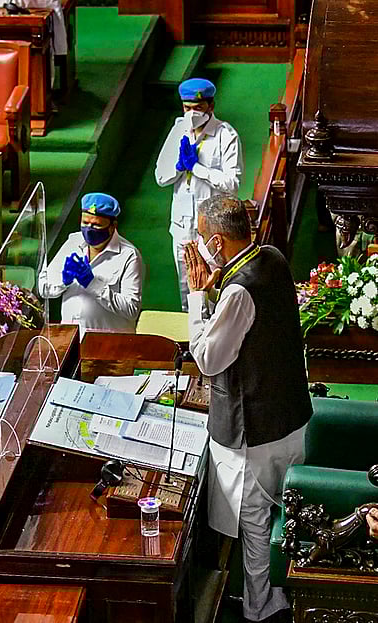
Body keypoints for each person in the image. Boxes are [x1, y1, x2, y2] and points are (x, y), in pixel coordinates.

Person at [184, 195, 311, 623]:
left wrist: (197, 296)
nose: (200, 246)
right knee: (288, 515)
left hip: (254, 433)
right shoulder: (271, 258)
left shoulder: (238, 292)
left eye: (203, 238)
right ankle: (291, 593)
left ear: (218, 242)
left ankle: (263, 610)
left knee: (255, 523)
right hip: (290, 418)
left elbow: (208, 359)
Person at [154, 77, 242, 311]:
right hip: (182, 224)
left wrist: (198, 169)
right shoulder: (178, 130)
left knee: (216, 284)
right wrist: (179, 167)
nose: (192, 114)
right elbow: (160, 177)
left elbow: (232, 184)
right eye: (187, 108)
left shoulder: (226, 135)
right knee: (187, 287)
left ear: (210, 106)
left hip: (213, 229)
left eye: (198, 108)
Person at [38, 192, 144, 338]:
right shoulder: (73, 242)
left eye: (96, 225)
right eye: (85, 223)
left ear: (113, 226)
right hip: (71, 338)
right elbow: (44, 288)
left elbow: (131, 309)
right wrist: (63, 281)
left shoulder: (129, 256)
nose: (89, 229)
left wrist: (93, 283)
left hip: (109, 343)